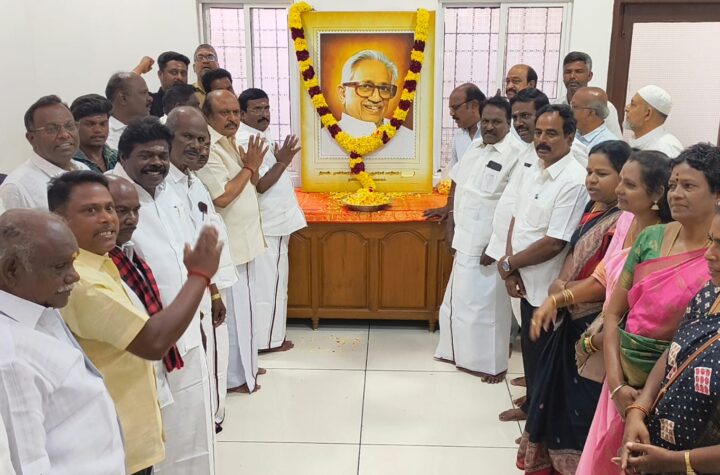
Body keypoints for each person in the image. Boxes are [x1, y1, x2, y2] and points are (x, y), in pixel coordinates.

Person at [51, 170, 221, 475]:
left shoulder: (104, 260)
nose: (108, 219)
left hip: (131, 428)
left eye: (109, 208)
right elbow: (152, 341)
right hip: (112, 438)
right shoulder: (81, 281)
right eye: (91, 211)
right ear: (60, 221)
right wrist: (199, 276)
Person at [578, 143, 720, 474]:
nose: (676, 194)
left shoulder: (712, 266)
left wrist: (642, 401)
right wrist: (617, 386)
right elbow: (614, 313)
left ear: (717, 195)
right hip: (621, 378)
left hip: (675, 393)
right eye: (672, 185)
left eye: (689, 186)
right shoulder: (650, 238)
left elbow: (683, 342)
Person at [514, 141, 633, 474]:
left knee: (583, 405)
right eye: (589, 172)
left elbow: (606, 279)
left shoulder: (624, 222)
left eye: (602, 174)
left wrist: (561, 295)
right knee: (561, 399)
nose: (591, 180)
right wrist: (561, 288)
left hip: (593, 323)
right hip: (572, 315)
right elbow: (581, 256)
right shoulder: (596, 209)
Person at [109, 118, 218, 474]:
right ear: (124, 157)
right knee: (160, 435)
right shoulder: (111, 197)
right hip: (147, 338)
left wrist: (208, 296)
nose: (156, 162)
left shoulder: (168, 192)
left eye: (162, 155)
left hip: (187, 325)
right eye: (146, 156)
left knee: (194, 426)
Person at [0, 209, 125, 474]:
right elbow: (28, 465)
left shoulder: (40, 305)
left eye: (73, 262)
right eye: (60, 267)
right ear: (12, 270)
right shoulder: (10, 359)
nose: (74, 276)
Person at [496, 104, 588, 422]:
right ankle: (532, 404)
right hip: (523, 279)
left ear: (570, 136)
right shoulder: (534, 168)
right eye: (538, 133)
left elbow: (554, 242)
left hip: (549, 288)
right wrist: (510, 267)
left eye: (551, 133)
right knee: (531, 349)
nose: (541, 140)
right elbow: (517, 219)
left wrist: (509, 264)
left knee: (547, 357)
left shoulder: (573, 180)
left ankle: (541, 422)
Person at [615, 203, 720, 474]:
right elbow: (675, 351)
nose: (709, 254)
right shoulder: (710, 293)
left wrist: (676, 462)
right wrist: (639, 409)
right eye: (711, 241)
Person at [434, 95, 524, 382]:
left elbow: (513, 207)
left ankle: (490, 364)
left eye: (497, 122)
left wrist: (496, 246)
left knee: (488, 308)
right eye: (485, 121)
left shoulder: (516, 154)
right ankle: (456, 353)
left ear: (509, 123)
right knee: (459, 301)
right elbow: (458, 186)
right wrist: (451, 228)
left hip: (488, 244)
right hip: (464, 238)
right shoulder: (476, 146)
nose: (489, 127)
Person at [164, 106, 238, 430]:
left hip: (208, 290)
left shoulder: (193, 181)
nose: (199, 147)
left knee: (214, 358)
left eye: (204, 141)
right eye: (189, 138)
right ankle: (207, 420)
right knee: (197, 364)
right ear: (168, 138)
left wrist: (216, 291)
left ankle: (214, 417)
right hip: (187, 294)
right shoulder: (163, 186)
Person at [196, 89, 267, 393]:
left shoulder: (230, 142)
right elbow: (222, 197)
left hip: (245, 241)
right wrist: (250, 166)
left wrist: (250, 165)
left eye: (236, 112)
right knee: (234, 317)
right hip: (230, 247)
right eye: (224, 113)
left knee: (247, 313)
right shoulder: (208, 148)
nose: (233, 118)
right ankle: (235, 377)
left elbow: (250, 184)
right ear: (207, 116)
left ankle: (248, 366)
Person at [488, 87, 549, 402]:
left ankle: (538, 404)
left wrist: (513, 262)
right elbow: (516, 210)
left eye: (526, 116)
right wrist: (507, 262)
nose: (520, 123)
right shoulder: (527, 151)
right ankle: (534, 393)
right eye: (516, 117)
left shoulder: (567, 158)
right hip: (513, 260)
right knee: (528, 334)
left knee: (542, 337)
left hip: (538, 265)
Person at [236, 88, 306, 352]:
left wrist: (280, 160)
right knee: (270, 285)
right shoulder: (247, 139)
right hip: (269, 222)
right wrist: (284, 161)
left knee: (270, 282)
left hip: (273, 221)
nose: (264, 114)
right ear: (243, 113)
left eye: (266, 108)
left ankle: (266, 338)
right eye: (257, 109)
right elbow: (261, 185)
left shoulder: (258, 134)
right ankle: (268, 342)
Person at [320, 49, 414, 159]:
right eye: (366, 86)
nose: (376, 98)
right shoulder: (320, 143)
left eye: (384, 88)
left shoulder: (410, 141)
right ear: (343, 93)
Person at [0, 95, 87, 210]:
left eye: (69, 126)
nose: (64, 135)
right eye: (51, 129)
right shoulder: (17, 187)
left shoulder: (83, 169)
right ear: (31, 138)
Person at [423, 83, 487, 240]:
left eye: (455, 108)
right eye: (450, 109)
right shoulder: (459, 137)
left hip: (487, 216)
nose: (451, 114)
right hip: (464, 213)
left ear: (474, 105)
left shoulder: (491, 135)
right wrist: (449, 208)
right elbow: (456, 177)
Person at [558, 51, 622, 137]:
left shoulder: (604, 106)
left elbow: (615, 142)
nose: (572, 76)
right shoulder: (555, 105)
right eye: (568, 72)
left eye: (578, 71)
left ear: (589, 76)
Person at [625, 85, 684, 158]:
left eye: (633, 105)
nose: (626, 108)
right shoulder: (636, 140)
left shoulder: (665, 149)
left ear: (648, 113)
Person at [70, 94, 119, 172]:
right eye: (90, 124)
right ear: (75, 126)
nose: (98, 130)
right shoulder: (68, 162)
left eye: (103, 124)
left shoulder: (119, 158)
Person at [105, 72, 153, 149]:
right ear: (123, 98)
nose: (150, 98)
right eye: (144, 93)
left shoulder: (151, 131)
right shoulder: (104, 136)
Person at [571, 86, 619, 151]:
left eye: (575, 107)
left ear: (591, 113)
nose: (570, 111)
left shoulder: (609, 146)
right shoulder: (571, 134)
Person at [150, 51, 190, 117]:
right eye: (174, 72)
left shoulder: (193, 103)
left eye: (183, 73)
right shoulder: (150, 103)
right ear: (160, 74)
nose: (179, 77)